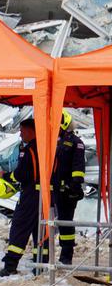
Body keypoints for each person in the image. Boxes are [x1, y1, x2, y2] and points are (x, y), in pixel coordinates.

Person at [0, 118, 45, 276]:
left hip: (30, 195)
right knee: (40, 231)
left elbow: (21, 174)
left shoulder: (28, 150)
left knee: (19, 228)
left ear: (31, 131)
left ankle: (10, 266)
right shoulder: (47, 147)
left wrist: (5, 176)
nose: (20, 134)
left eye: (22, 131)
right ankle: (41, 266)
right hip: (45, 195)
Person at [53, 110, 86, 265]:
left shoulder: (76, 142)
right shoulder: (55, 140)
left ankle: (66, 256)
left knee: (66, 222)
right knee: (58, 222)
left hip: (67, 190)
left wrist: (74, 186)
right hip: (53, 189)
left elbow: (78, 167)